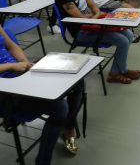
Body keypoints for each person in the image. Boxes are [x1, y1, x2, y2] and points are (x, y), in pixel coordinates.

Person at [0, 25, 85, 163]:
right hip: (4, 91)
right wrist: (11, 66)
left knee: (78, 81)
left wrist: (25, 63)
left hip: (19, 74)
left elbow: (10, 45)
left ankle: (68, 127)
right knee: (59, 108)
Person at [53, 0, 140, 84]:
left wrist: (94, 16)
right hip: (80, 32)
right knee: (123, 41)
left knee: (128, 33)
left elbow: (93, 5)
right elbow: (80, 18)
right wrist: (94, 16)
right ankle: (115, 73)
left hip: (92, 24)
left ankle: (121, 69)